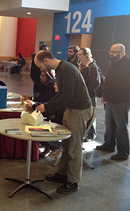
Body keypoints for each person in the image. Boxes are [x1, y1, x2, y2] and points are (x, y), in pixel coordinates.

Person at [34, 51, 92, 194]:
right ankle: (62, 174)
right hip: (71, 109)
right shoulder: (60, 69)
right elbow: (60, 94)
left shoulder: (67, 70)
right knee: (66, 144)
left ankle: (73, 181)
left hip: (79, 111)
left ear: (46, 61)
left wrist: (47, 107)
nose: (40, 69)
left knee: (74, 148)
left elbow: (66, 96)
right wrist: (45, 105)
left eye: (40, 66)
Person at [96, 44, 130, 160]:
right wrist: (105, 97)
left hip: (121, 101)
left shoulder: (127, 64)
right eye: (110, 51)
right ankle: (109, 145)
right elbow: (109, 81)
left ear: (122, 52)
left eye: (114, 52)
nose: (111, 54)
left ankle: (123, 152)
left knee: (121, 127)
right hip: (110, 100)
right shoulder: (114, 63)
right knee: (110, 125)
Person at [24, 77, 64, 157]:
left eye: (56, 84)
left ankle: (57, 147)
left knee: (37, 130)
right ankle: (49, 146)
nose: (54, 86)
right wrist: (35, 104)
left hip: (57, 123)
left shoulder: (62, 99)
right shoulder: (58, 96)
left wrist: (34, 105)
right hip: (54, 121)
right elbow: (47, 105)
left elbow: (49, 110)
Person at [77, 47, 100, 142]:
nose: (78, 56)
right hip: (81, 94)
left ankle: (91, 134)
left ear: (86, 55)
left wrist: (87, 90)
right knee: (83, 114)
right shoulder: (79, 65)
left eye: (80, 54)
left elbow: (96, 82)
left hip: (90, 94)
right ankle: (84, 133)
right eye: (78, 54)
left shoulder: (92, 66)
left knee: (91, 114)